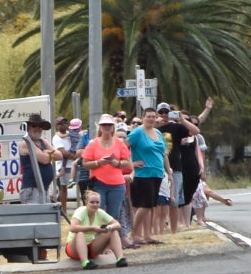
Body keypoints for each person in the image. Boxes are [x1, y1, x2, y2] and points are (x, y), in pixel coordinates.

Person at [127, 108, 169, 246]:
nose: (151, 119)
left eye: (153, 117)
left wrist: (167, 170)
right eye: (148, 116)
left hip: (157, 173)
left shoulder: (157, 132)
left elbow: (163, 153)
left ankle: (147, 235)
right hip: (143, 174)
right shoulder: (138, 132)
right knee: (143, 205)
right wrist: (131, 164)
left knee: (151, 205)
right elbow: (123, 147)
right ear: (143, 117)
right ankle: (134, 233)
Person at [81, 113, 132, 222]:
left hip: (117, 184)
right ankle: (98, 238)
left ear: (113, 126)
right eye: (104, 125)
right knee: (97, 213)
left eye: (109, 125)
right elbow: (85, 163)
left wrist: (116, 163)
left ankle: (113, 238)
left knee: (114, 216)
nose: (107, 127)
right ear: (100, 126)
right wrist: (98, 162)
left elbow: (127, 162)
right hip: (99, 183)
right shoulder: (93, 143)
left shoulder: (119, 142)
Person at [156, 102, 199, 232]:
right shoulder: (153, 128)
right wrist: (155, 124)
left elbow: (195, 131)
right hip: (156, 167)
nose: (163, 115)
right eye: (161, 112)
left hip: (175, 166)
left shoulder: (176, 127)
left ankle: (174, 230)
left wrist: (181, 120)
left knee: (173, 201)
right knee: (158, 202)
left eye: (166, 112)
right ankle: (159, 229)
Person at [66, 190, 128, 269]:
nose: (95, 205)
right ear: (86, 202)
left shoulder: (100, 212)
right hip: (73, 248)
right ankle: (85, 263)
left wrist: (108, 228)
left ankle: (120, 259)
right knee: (80, 233)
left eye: (97, 202)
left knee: (113, 231)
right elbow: (72, 228)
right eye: (92, 202)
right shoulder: (81, 211)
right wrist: (92, 228)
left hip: (91, 247)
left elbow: (117, 225)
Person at [19, 113, 61, 204]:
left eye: (40, 126)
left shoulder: (43, 142)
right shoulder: (26, 143)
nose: (38, 128)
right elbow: (44, 159)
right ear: (29, 128)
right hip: (31, 190)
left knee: (45, 218)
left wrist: (47, 153)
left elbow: (59, 155)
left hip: (44, 189)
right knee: (35, 218)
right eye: (34, 126)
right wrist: (48, 154)